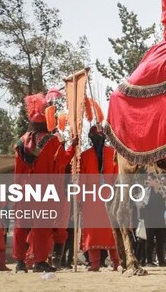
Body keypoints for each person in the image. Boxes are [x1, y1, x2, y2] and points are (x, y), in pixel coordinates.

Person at [13, 93, 77, 273]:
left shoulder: (19, 143)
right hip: (43, 190)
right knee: (41, 225)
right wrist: (72, 146)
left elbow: (17, 171)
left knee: (21, 226)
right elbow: (62, 161)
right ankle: (39, 261)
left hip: (23, 189)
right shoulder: (51, 141)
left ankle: (19, 262)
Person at [79, 125, 120, 271]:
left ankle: (95, 264)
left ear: (90, 139)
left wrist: (79, 198)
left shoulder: (84, 156)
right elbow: (117, 178)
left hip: (92, 199)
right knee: (111, 232)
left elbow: (82, 180)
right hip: (109, 196)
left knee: (93, 232)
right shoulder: (113, 153)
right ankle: (117, 263)